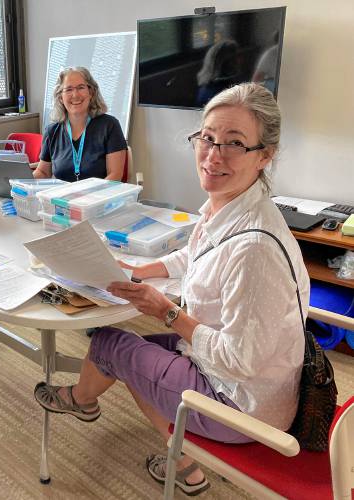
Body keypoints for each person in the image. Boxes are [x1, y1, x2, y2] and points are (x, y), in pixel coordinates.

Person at [34, 83, 308, 496]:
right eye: (208, 138)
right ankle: (184, 464)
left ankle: (80, 400)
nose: (214, 155)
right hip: (254, 379)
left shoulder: (254, 248)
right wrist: (144, 269)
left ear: (265, 155)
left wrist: (166, 312)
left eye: (234, 144)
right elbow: (194, 256)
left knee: (111, 345)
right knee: (131, 357)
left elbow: (240, 360)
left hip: (243, 405)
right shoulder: (232, 207)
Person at [34, 67, 127, 182]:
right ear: (60, 98)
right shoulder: (52, 131)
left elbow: (115, 175)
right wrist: (20, 182)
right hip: (61, 198)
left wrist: (88, 198)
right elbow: (43, 172)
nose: (75, 95)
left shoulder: (109, 125)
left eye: (81, 87)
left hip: (99, 197)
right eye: (68, 89)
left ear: (91, 92)